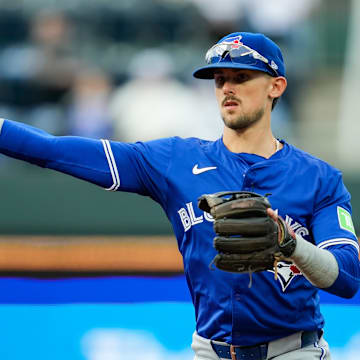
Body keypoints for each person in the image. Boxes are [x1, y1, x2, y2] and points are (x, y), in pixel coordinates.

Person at [0, 32, 359, 360]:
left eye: (241, 77)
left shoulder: (319, 178)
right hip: (210, 351)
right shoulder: (175, 160)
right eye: (220, 80)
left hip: (293, 351)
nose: (227, 88)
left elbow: (346, 277)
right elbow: (52, 150)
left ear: (276, 86)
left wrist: (289, 243)